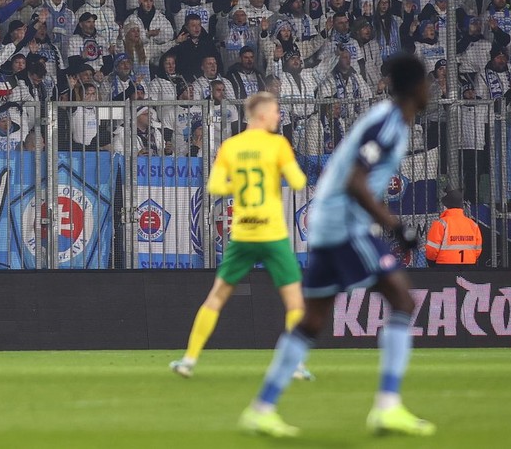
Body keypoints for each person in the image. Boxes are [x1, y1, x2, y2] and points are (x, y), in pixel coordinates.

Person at [239, 53, 434, 438]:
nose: (431, 90)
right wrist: (394, 225)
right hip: (345, 223)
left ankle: (261, 408)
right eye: (428, 83)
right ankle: (388, 406)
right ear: (416, 88)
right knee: (402, 299)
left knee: (312, 321)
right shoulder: (389, 124)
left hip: (328, 222)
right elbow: (356, 182)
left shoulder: (389, 120)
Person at [170, 92, 311, 380]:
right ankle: (295, 366)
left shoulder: (231, 146)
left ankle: (188, 360)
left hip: (243, 232)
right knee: (295, 301)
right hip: (272, 232)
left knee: (217, 296)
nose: (278, 117)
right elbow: (298, 181)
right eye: (275, 112)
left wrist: (239, 180)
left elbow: (216, 188)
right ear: (261, 115)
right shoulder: (278, 144)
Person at [424, 189, 482, 266]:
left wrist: (432, 263)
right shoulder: (472, 224)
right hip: (469, 265)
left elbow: (432, 250)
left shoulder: (440, 224)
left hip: (444, 266)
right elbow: (477, 250)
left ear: (445, 206)